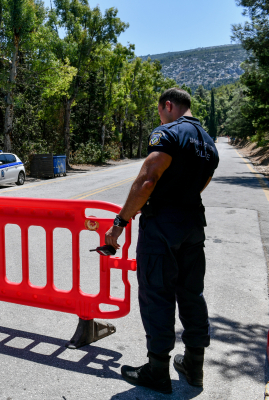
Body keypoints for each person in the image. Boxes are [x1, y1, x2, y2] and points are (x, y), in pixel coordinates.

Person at [105, 87, 219, 394]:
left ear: (168, 105)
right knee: (192, 293)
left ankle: (157, 371)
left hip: (162, 226)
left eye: (160, 111)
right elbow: (201, 184)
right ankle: (194, 367)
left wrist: (119, 223)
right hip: (193, 224)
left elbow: (148, 179)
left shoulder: (168, 132)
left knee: (157, 294)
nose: (160, 117)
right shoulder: (210, 145)